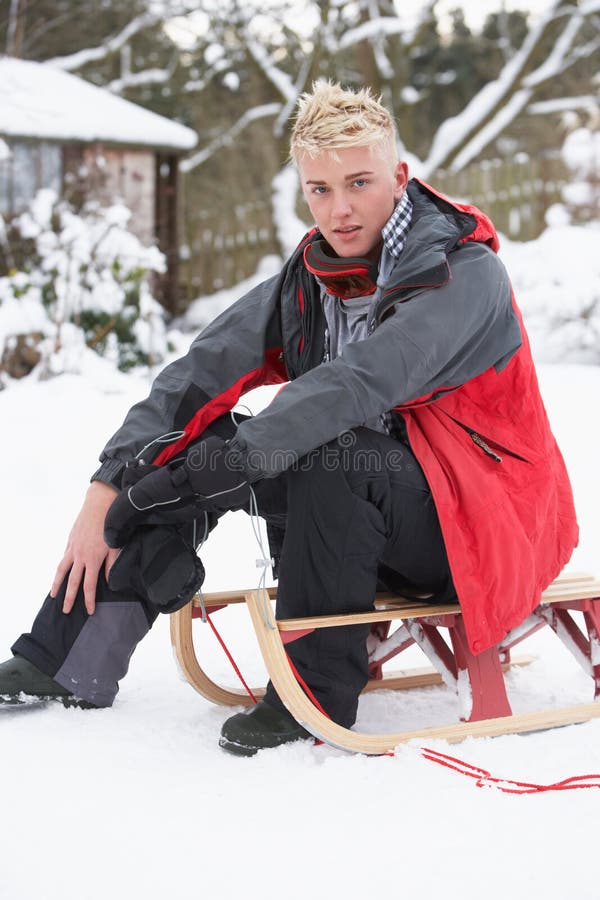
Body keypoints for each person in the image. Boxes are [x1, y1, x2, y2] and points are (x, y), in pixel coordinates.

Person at [0, 81, 578, 756]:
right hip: (356, 517)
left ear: (398, 176)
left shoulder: (464, 273)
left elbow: (365, 379)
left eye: (358, 183)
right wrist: (114, 487)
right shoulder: (309, 275)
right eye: (320, 190)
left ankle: (312, 693)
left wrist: (227, 465)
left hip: (481, 528)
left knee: (327, 445)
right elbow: (201, 371)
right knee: (187, 439)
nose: (340, 208)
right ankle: (69, 658)